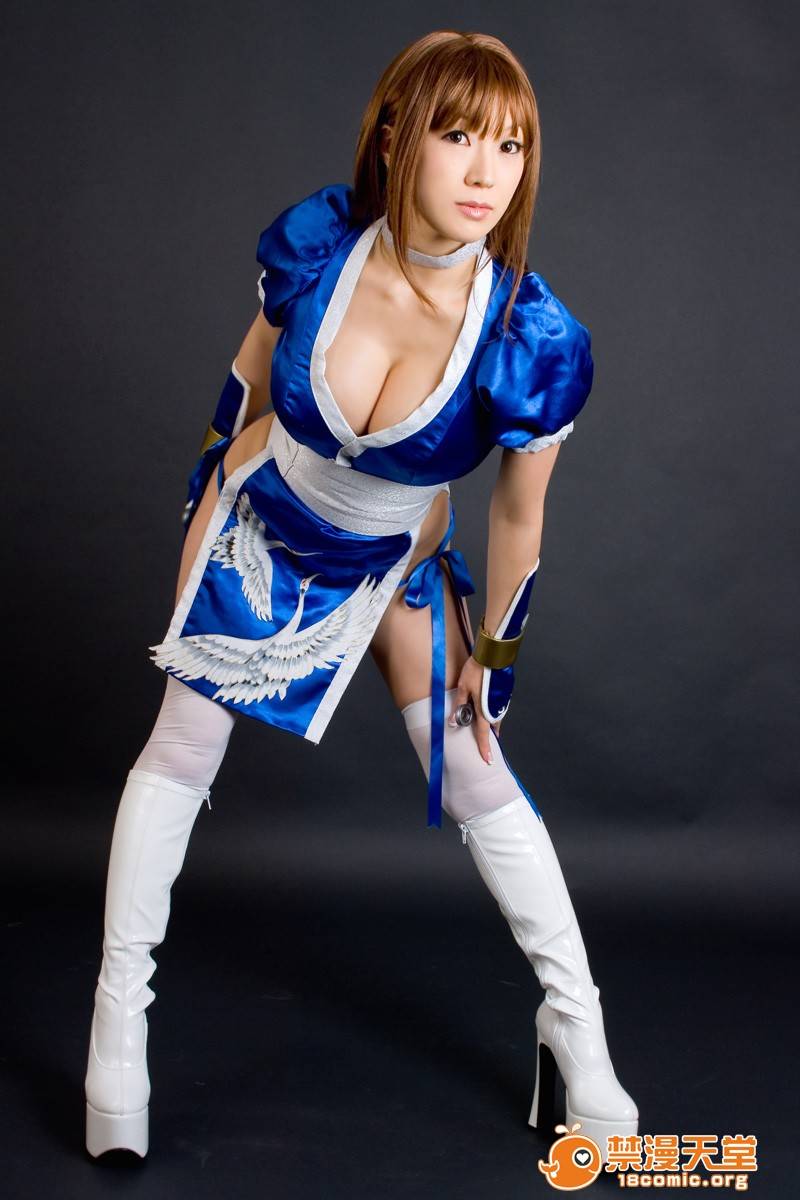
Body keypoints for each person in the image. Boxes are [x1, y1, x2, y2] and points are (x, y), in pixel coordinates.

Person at [84, 29, 638, 1164]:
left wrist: (497, 653)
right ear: (394, 136)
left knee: (475, 768)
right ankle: (117, 1032)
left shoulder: (526, 337)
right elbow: (245, 379)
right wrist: (200, 507)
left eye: (511, 145)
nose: (487, 172)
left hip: (393, 564)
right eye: (458, 135)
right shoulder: (318, 244)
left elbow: (518, 519)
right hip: (258, 528)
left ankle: (577, 1036)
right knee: (180, 745)